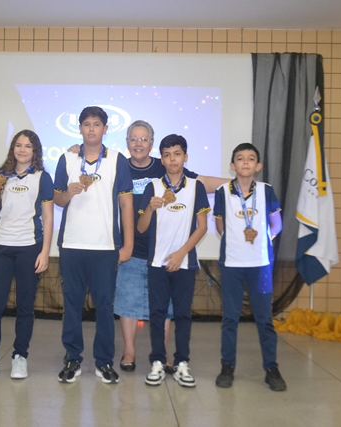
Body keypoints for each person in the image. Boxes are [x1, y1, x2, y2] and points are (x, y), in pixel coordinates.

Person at [113, 120, 227, 372]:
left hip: (165, 252)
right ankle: (129, 351)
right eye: (133, 139)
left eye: (144, 139)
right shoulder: (119, 167)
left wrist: (236, 179)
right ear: (127, 143)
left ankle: (161, 353)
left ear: (152, 144)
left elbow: (201, 182)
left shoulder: (163, 166)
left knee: (164, 308)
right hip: (130, 248)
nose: (138, 144)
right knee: (128, 302)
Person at [53, 106, 134, 384]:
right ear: (79, 128)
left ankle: (103, 361)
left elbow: (126, 204)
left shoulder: (117, 160)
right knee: (72, 304)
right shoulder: (67, 158)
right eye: (86, 124)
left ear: (105, 129)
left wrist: (127, 244)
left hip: (105, 246)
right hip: (72, 244)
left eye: (96, 124)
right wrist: (68, 193)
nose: (91, 129)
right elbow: (57, 199)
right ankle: (72, 358)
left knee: (104, 306)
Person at [0, 129, 54, 380]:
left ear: (35, 150)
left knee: (25, 306)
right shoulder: (1, 175)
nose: (22, 150)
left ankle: (20, 357)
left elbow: (48, 217)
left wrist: (45, 252)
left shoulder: (42, 177)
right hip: (1, 247)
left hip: (30, 248)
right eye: (18, 145)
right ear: (12, 148)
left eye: (28, 146)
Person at [137, 134, 210, 387]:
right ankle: (157, 361)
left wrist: (181, 253)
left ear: (185, 157)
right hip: (157, 263)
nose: (172, 159)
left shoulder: (196, 187)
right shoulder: (153, 187)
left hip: (185, 263)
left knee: (183, 315)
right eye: (167, 155)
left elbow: (202, 227)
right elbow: (141, 228)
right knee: (157, 314)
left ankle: (182, 363)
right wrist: (149, 208)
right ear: (162, 159)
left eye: (177, 154)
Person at [213, 142, 286, 392]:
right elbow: (220, 226)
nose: (245, 162)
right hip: (232, 263)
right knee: (230, 318)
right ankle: (227, 367)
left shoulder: (266, 190)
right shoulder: (223, 191)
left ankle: (271, 368)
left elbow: (277, 225)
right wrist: (236, 239)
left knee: (264, 319)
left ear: (258, 166)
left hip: (260, 264)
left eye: (251, 158)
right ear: (232, 165)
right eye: (240, 158)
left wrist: (262, 238)